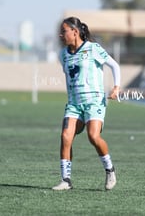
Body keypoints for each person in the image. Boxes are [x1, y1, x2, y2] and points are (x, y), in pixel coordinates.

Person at [52, 16, 121, 191]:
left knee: (93, 137)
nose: (61, 35)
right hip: (74, 104)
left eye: (64, 31)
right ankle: (66, 180)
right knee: (65, 137)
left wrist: (116, 87)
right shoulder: (63, 55)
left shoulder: (93, 49)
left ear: (75, 32)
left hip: (94, 102)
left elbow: (114, 66)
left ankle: (110, 170)